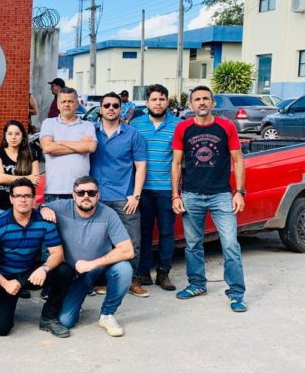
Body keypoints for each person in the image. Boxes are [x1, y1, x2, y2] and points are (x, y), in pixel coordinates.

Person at [172, 85, 248, 312]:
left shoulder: (226, 126)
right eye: (197, 99)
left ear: (213, 103)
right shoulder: (183, 128)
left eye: (206, 99)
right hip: (191, 195)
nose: (202, 102)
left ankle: (236, 293)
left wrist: (239, 192)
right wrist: (175, 195)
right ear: (190, 105)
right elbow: (176, 163)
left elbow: (238, 160)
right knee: (193, 245)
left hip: (221, 195)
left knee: (231, 245)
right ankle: (197, 284)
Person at [44, 176, 135, 337]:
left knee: (124, 269)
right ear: (73, 195)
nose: (86, 196)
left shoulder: (108, 215)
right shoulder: (60, 207)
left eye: (91, 192)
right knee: (65, 321)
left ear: (98, 195)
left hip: (98, 270)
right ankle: (75, 300)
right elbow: (35, 207)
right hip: (73, 274)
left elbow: (128, 250)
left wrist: (92, 264)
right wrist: (43, 208)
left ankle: (107, 315)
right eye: (81, 193)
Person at [0, 178, 75, 338]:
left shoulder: (43, 221)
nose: (23, 199)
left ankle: (49, 317)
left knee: (65, 270)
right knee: (0, 328)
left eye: (27, 196)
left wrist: (44, 268)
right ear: (11, 199)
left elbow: (58, 253)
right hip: (4, 277)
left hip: (29, 274)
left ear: (34, 199)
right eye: (18, 196)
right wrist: (5, 283)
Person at [89, 92, 148, 298]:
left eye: (115, 105)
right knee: (100, 242)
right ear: (101, 109)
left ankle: (131, 281)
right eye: (107, 105)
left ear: (121, 109)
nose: (111, 108)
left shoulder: (132, 135)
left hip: (125, 198)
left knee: (132, 241)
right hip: (97, 198)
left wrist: (136, 195)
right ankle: (104, 281)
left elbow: (141, 166)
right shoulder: (90, 133)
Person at [130, 84, 180, 291]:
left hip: (167, 188)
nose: (158, 103)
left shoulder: (178, 125)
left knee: (167, 232)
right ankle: (143, 273)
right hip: (143, 189)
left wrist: (178, 192)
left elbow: (180, 160)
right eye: (154, 99)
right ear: (147, 102)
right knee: (144, 232)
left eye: (162, 99)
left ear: (167, 101)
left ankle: (163, 273)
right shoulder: (136, 124)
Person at [39, 87, 97, 201]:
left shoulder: (87, 125)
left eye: (70, 101)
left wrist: (60, 142)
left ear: (76, 104)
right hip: (54, 191)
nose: (67, 104)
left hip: (81, 191)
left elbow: (91, 147)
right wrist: (80, 145)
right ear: (58, 104)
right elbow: (47, 147)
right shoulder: (48, 123)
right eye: (63, 101)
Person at [0, 119, 40, 220]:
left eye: (17, 134)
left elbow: (35, 181)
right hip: (2, 207)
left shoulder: (31, 155)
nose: (13, 137)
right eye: (10, 134)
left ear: (22, 136)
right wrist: (27, 178)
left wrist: (9, 178)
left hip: (24, 208)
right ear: (5, 135)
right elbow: (0, 178)